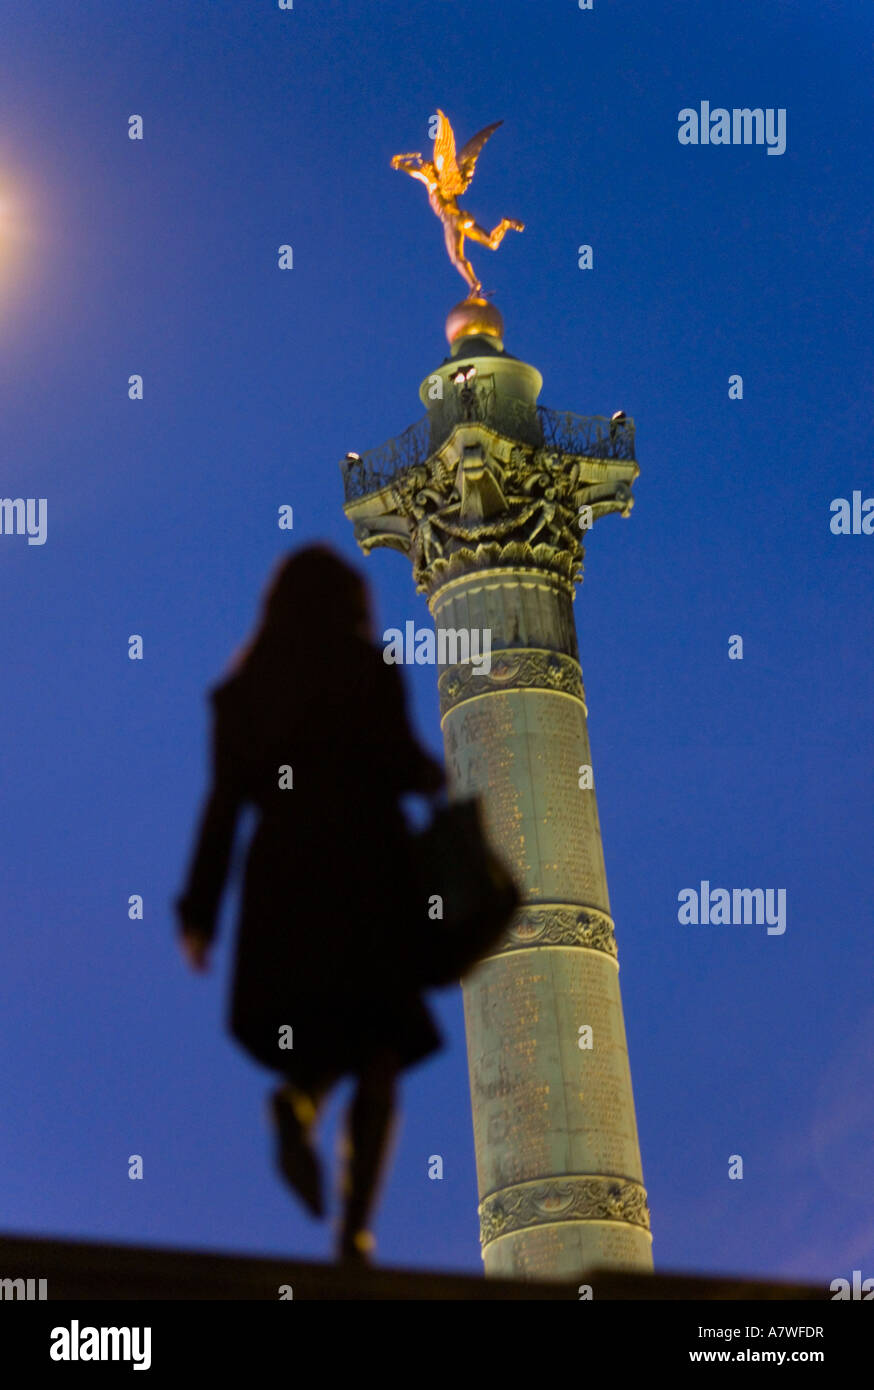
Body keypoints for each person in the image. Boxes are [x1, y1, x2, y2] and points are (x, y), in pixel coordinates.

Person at [174, 544, 446, 1263]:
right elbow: (399, 759)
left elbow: (223, 806)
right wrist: (436, 778)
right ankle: (356, 1228)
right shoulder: (368, 666)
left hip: (284, 880)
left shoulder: (243, 693)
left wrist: (196, 914)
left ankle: (297, 1104)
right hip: (365, 869)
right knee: (378, 1045)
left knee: (325, 1026)